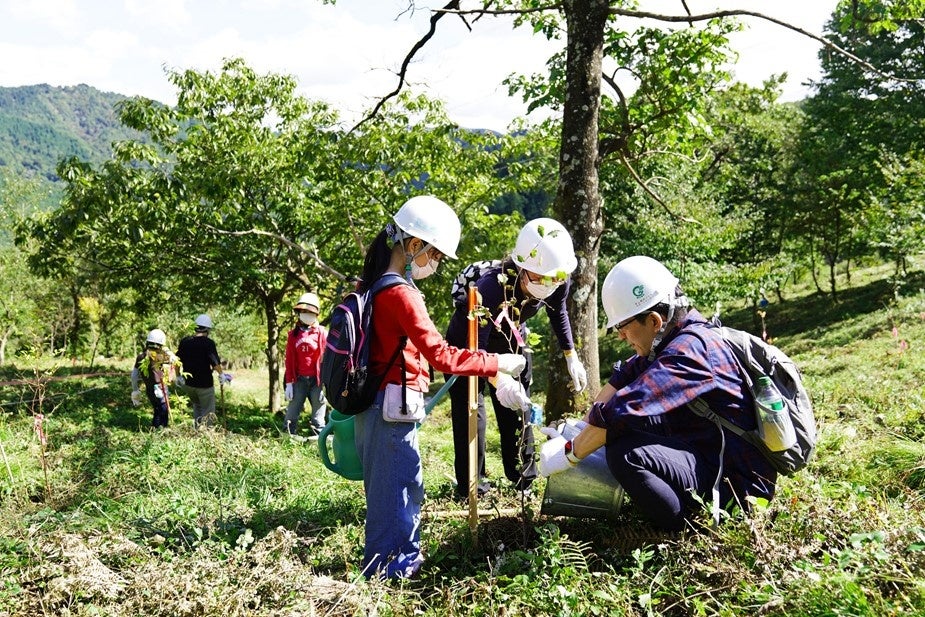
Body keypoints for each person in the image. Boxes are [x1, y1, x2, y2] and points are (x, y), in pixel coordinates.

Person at [353, 195, 529, 579]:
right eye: (435, 256)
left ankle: (392, 564)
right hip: (391, 407)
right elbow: (443, 356)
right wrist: (497, 363)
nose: (435, 264)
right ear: (414, 246)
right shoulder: (400, 293)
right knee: (398, 492)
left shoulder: (372, 285)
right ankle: (392, 572)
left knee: (391, 490)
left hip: (378, 405)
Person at [538, 256, 777, 531]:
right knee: (623, 427)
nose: (620, 337)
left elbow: (623, 409)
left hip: (737, 485)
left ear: (654, 320)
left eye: (623, 327)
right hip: (707, 452)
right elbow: (623, 379)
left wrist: (569, 453)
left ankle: (685, 527)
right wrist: (582, 428)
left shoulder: (689, 353)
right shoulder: (676, 337)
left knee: (625, 453)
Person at [444, 217, 587, 498]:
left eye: (555, 279)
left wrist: (572, 356)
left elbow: (558, 313)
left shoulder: (558, 276)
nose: (548, 284)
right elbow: (479, 348)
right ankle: (473, 486)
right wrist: (498, 377)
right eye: (540, 278)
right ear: (522, 268)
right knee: (472, 411)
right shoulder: (491, 287)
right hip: (469, 342)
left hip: (513, 340)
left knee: (519, 407)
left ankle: (524, 476)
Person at [283, 292, 328, 438]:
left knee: (318, 417)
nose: (306, 314)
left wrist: (326, 384)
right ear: (299, 313)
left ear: (316, 313)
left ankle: (320, 443)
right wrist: (289, 383)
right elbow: (289, 360)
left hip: (317, 381)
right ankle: (288, 439)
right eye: (303, 311)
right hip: (299, 380)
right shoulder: (293, 335)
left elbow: (327, 359)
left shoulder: (321, 333)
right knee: (291, 414)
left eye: (309, 312)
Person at [176, 314, 230, 428]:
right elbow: (215, 363)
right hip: (204, 385)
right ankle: (206, 434)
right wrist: (221, 375)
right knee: (208, 412)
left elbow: (177, 361)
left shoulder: (185, 341)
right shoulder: (208, 343)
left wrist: (178, 376)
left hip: (189, 384)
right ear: (208, 329)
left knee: (198, 406)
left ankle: (197, 431)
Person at [131, 328, 182, 428]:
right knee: (163, 411)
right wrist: (178, 375)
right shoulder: (160, 356)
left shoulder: (141, 356)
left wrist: (135, 391)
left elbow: (134, 376)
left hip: (149, 388)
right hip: (160, 388)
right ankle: (161, 431)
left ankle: (155, 430)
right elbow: (176, 361)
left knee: (157, 409)